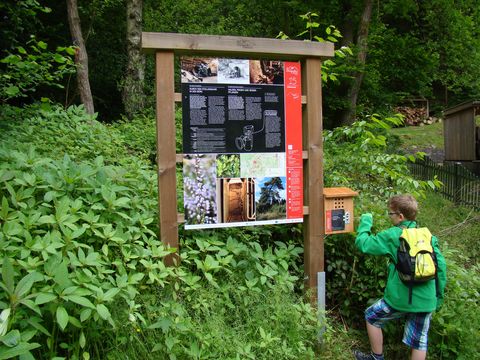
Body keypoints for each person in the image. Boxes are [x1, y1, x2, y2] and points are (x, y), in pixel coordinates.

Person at [353, 194, 447, 360]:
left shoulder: (394, 235)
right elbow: (441, 269)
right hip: (426, 299)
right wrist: (438, 297)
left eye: (391, 214)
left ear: (400, 216)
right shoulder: (428, 236)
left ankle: (377, 357)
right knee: (419, 341)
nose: (390, 217)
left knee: (372, 317)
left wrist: (366, 221)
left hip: (400, 298)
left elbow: (363, 244)